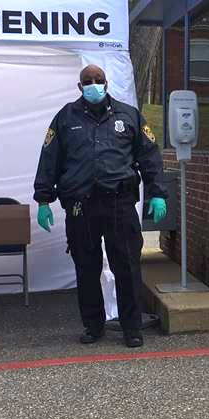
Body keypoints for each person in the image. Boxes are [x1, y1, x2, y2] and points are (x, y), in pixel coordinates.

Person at [34, 64, 167, 347]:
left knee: (128, 267)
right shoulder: (65, 117)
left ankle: (132, 328)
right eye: (87, 81)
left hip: (119, 204)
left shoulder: (128, 115)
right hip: (81, 207)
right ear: (79, 86)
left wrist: (158, 193)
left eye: (98, 80)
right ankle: (93, 326)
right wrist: (43, 199)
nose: (93, 84)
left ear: (106, 83)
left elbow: (150, 156)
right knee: (86, 267)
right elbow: (49, 159)